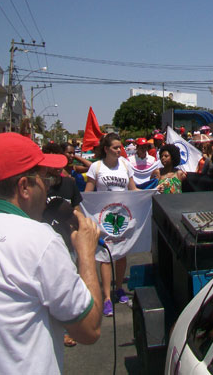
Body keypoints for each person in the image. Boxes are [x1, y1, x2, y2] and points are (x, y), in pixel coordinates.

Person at [0, 133, 102, 373]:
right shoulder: (40, 240)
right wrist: (87, 255)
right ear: (24, 187)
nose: (47, 185)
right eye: (44, 178)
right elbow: (89, 329)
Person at [85, 133, 138, 315]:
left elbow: (134, 190)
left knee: (121, 254)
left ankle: (119, 289)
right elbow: (88, 194)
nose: (119, 150)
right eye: (115, 147)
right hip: (103, 218)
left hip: (123, 216)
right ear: (106, 149)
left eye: (120, 147)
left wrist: (153, 190)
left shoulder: (125, 165)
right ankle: (107, 297)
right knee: (105, 256)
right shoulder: (96, 167)